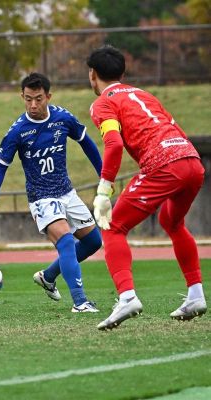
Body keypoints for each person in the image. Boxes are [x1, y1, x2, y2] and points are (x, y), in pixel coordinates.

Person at [87, 45, 207, 330]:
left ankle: (127, 296)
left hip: (164, 164)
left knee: (113, 226)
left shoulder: (102, 103)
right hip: (191, 160)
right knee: (172, 221)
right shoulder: (144, 94)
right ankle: (196, 294)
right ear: (123, 73)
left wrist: (104, 191)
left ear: (92, 75)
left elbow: (114, 144)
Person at [0, 72, 103, 313]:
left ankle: (48, 277)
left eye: (38, 99)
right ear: (22, 97)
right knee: (66, 241)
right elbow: (0, 165)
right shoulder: (18, 131)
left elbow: (86, 142)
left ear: (48, 96)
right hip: (41, 197)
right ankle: (80, 302)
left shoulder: (63, 118)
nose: (33, 105)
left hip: (67, 192)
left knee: (93, 242)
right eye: (28, 99)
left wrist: (104, 175)